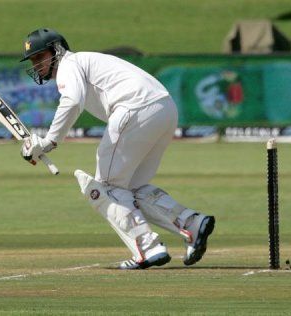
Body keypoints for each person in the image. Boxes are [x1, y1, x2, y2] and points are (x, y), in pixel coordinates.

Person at [20, 28, 215, 269]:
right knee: (129, 188)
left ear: (57, 50)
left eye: (41, 57)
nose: (37, 65)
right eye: (33, 60)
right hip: (164, 109)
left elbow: (72, 101)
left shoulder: (69, 65)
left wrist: (48, 142)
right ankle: (192, 224)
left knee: (105, 187)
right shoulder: (86, 62)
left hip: (135, 108)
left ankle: (148, 248)